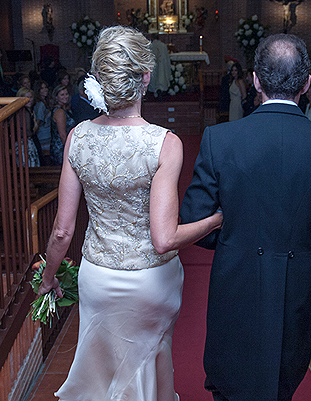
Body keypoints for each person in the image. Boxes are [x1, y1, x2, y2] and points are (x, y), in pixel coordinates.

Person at [38, 25, 222, 401]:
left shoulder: (78, 137)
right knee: (152, 361)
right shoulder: (164, 144)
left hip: (98, 279)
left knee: (102, 374)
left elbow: (62, 231)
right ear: (146, 78)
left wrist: (48, 279)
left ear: (100, 78)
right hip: (151, 282)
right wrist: (217, 219)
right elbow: (165, 238)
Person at [180, 33, 311, 401]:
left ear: (256, 81)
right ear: (307, 84)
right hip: (300, 286)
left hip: (236, 281)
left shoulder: (219, 139)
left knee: (229, 384)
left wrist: (233, 236)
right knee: (282, 385)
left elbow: (194, 221)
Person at [47, 84, 76, 166]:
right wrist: (70, 151)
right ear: (56, 97)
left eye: (66, 94)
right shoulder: (59, 112)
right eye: (62, 94)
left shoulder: (64, 110)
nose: (65, 96)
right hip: (61, 149)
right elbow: (62, 135)